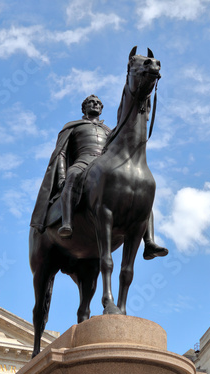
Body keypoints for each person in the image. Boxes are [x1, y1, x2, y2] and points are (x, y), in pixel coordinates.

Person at [30, 95, 167, 259]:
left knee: (139, 192)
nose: (95, 104)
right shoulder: (72, 127)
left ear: (101, 109)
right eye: (91, 102)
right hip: (82, 163)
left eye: (98, 103)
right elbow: (61, 154)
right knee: (72, 177)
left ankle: (149, 241)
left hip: (103, 166)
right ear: (84, 108)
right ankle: (66, 223)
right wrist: (61, 177)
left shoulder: (108, 131)